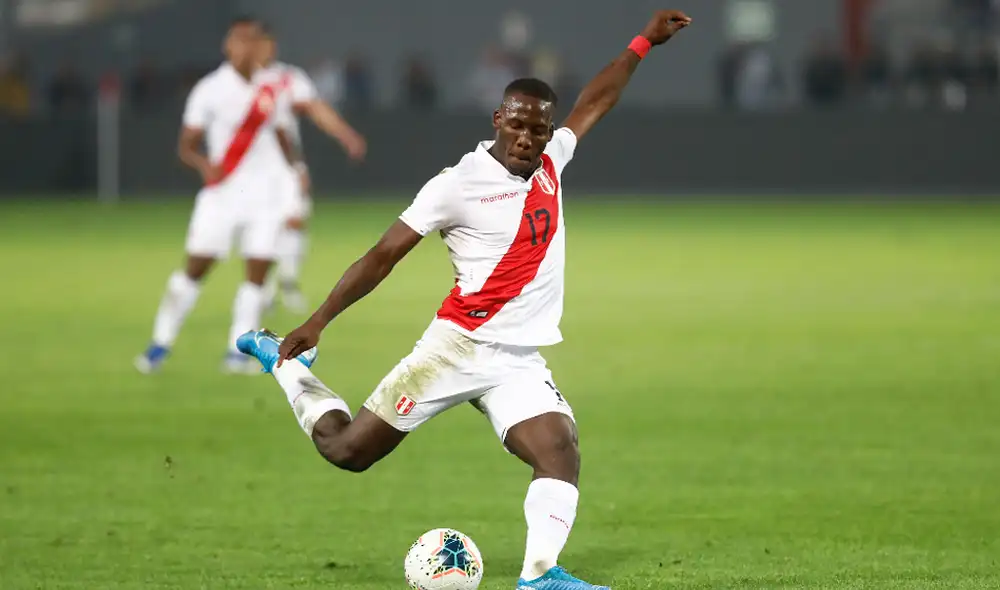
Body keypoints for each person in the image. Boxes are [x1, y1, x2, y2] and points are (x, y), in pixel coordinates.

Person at [238, 10, 690, 589]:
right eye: (517, 126)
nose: (527, 139)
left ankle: (539, 576)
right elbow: (382, 256)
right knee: (348, 451)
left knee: (559, 448)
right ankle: (286, 365)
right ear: (498, 119)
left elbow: (596, 99)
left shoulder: (551, 160)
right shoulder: (456, 184)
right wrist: (318, 321)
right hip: (456, 349)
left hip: (516, 359)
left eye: (539, 131)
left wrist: (643, 42)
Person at [135, 16, 300, 374]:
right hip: (223, 195)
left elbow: (284, 138)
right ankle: (160, 342)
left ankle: (236, 352)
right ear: (228, 45)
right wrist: (202, 164)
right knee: (195, 268)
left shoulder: (272, 88)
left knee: (257, 274)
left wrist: (295, 176)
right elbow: (186, 145)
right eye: (240, 39)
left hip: (265, 197)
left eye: (253, 40)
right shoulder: (210, 89)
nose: (247, 47)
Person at [254, 28, 368, 314]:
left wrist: (346, 135)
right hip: (248, 169)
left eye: (268, 43)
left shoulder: (287, 78)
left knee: (295, 219)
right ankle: (262, 290)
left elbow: (316, 109)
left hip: (285, 164)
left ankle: (288, 282)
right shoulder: (237, 82)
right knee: (261, 227)